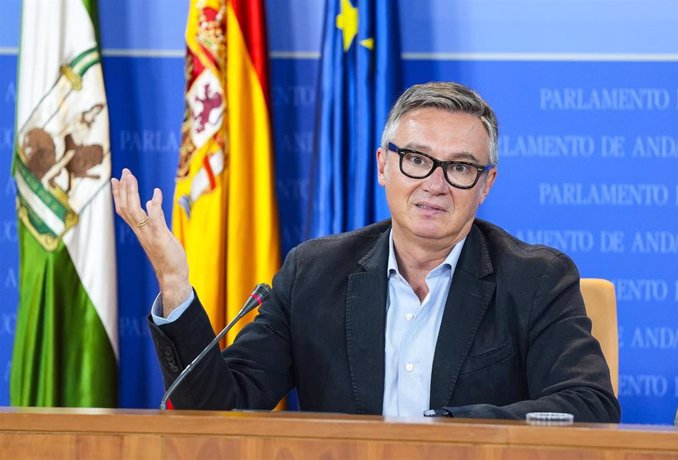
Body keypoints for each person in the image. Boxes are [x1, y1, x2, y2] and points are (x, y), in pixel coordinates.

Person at [112, 81, 620, 422]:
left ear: (486, 185)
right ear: (383, 166)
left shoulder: (536, 280)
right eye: (417, 160)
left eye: (461, 168)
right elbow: (222, 405)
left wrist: (449, 432)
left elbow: (589, 403)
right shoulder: (313, 273)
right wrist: (175, 284)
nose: (436, 184)